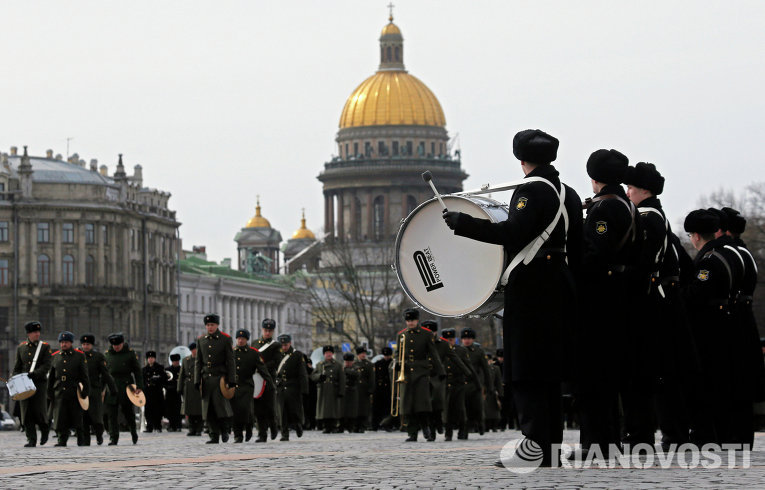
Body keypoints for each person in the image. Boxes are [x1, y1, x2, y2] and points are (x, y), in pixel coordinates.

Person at [443, 129, 582, 466]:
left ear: (521, 159)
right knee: (549, 372)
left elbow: (511, 232)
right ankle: (550, 448)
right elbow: (578, 245)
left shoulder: (531, 191)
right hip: (560, 285)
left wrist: (464, 223)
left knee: (526, 370)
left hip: (532, 287)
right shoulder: (571, 194)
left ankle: (533, 448)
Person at [577, 148, 641, 457]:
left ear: (594, 177)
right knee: (613, 372)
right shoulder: (629, 206)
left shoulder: (603, 209)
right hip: (622, 295)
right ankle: (610, 438)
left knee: (593, 374)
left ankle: (597, 442)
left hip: (599, 299)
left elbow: (594, 255)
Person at [683, 209, 735, 444]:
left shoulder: (709, 260)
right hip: (720, 323)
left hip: (708, 326)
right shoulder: (722, 254)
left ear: (695, 236)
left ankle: (707, 434)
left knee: (707, 381)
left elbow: (697, 293)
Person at [722, 207, 765, 448]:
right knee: (743, 380)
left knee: (735, 379)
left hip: (734, 319)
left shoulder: (730, 253)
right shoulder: (745, 253)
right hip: (745, 318)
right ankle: (741, 435)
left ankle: (734, 436)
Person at [394, 308, 445, 442]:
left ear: (417, 320)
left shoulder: (426, 334)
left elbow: (433, 353)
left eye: (412, 320)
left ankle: (425, 427)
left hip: (421, 372)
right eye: (408, 320)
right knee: (408, 404)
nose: (410, 323)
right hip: (406, 373)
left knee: (422, 403)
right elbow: (397, 353)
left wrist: (440, 371)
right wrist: (397, 363)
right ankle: (412, 433)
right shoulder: (401, 335)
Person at [194, 313, 235, 444]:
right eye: (208, 325)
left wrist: (231, 379)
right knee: (209, 409)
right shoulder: (201, 340)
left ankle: (224, 429)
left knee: (220, 407)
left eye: (212, 325)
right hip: (206, 379)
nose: (210, 327)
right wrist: (197, 379)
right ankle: (213, 435)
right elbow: (198, 362)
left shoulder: (225, 339)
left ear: (217, 325)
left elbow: (230, 361)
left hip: (220, 379)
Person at [12, 321, 52, 447]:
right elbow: (17, 366)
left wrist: (35, 374)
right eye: (34, 332)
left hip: (38, 384)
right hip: (24, 385)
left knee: (39, 411)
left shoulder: (44, 347)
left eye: (38, 332)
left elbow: (46, 365)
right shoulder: (21, 348)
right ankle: (31, 439)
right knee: (26, 412)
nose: (37, 334)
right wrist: (15, 379)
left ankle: (44, 429)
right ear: (29, 334)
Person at [47, 331, 90, 446]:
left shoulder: (79, 356)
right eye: (61, 342)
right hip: (59, 392)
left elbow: (84, 376)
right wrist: (49, 392)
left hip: (74, 391)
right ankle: (62, 440)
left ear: (71, 343)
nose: (63, 345)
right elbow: (51, 377)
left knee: (77, 418)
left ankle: (81, 439)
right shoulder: (55, 356)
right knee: (61, 418)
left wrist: (85, 390)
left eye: (66, 342)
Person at [231, 329, 273, 443]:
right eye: (239, 338)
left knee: (246, 410)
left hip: (247, 385)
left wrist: (270, 382)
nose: (240, 341)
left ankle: (249, 426)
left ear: (246, 340)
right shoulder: (231, 352)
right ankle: (238, 435)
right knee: (235, 412)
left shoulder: (253, 353)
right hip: (234, 386)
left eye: (243, 339)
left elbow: (262, 368)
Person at [104, 332, 143, 445]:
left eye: (118, 345)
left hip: (126, 386)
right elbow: (104, 373)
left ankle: (133, 432)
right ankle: (113, 437)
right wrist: (102, 389)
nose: (116, 347)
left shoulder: (130, 354)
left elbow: (137, 371)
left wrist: (139, 386)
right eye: (114, 345)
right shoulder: (107, 355)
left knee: (128, 413)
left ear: (122, 343)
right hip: (112, 387)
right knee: (112, 415)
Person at [79, 333, 116, 445]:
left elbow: (105, 374)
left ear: (92, 345)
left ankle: (99, 433)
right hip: (81, 390)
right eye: (84, 344)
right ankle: (86, 440)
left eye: (88, 344)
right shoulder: (78, 356)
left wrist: (112, 388)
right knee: (84, 417)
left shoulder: (98, 357)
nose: (85, 346)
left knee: (96, 417)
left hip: (94, 390)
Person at [439, 328, 475, 441]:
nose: (449, 342)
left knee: (460, 409)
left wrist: (471, 378)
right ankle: (448, 433)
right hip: (446, 383)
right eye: (447, 339)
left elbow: (468, 366)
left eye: (451, 339)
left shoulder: (461, 351)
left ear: (455, 339)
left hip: (458, 383)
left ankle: (462, 431)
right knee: (447, 410)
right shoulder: (440, 350)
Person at [252, 318, 281, 441]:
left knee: (269, 407)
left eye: (270, 330)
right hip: (257, 379)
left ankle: (273, 425)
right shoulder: (255, 343)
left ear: (273, 331)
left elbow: (276, 361)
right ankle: (262, 433)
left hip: (268, 379)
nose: (267, 333)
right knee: (258, 408)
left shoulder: (276, 345)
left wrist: (262, 367)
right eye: (265, 330)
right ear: (262, 329)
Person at [275, 334, 308, 441]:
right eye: (282, 345)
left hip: (293, 387)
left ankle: (297, 424)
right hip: (281, 386)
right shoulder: (277, 355)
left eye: (286, 344)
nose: (284, 347)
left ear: (290, 343)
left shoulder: (297, 355)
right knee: (282, 411)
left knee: (294, 410)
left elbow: (302, 373)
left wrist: (304, 388)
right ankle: (285, 434)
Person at [460, 328, 491, 435]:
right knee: (464, 408)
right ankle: (466, 428)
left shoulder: (478, 351)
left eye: (468, 338)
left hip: (475, 383)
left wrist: (488, 386)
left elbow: (486, 370)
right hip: (462, 383)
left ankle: (480, 424)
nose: (466, 341)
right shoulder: (458, 351)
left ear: (472, 339)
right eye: (464, 338)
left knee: (477, 407)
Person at [310, 345, 345, 433]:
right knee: (324, 410)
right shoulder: (320, 365)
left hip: (334, 389)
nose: (328, 354)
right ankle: (326, 426)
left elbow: (342, 379)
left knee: (333, 409)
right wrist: (319, 376)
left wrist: (341, 391)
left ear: (332, 354)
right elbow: (312, 376)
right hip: (323, 390)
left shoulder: (337, 365)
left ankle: (333, 426)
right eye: (326, 353)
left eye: (330, 353)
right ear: (324, 354)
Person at [178, 342, 203, 436]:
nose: (194, 351)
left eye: (196, 349)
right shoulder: (185, 360)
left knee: (199, 410)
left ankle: (199, 429)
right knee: (189, 410)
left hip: (198, 386)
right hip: (188, 387)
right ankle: (191, 428)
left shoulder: (201, 359)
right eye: (193, 349)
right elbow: (181, 375)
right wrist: (179, 388)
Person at [142, 350, 166, 433]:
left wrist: (156, 380)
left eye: (152, 358)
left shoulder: (159, 368)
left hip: (157, 392)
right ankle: (149, 426)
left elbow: (163, 378)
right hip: (148, 393)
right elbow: (142, 381)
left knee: (158, 410)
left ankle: (158, 426)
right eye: (149, 358)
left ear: (154, 358)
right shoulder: (144, 369)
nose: (150, 359)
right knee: (148, 411)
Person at [352, 346, 374, 433]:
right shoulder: (354, 364)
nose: (363, 355)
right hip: (356, 388)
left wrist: (371, 389)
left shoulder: (369, 364)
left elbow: (372, 378)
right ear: (358, 355)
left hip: (364, 389)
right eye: (361, 353)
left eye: (364, 353)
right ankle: (355, 426)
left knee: (364, 409)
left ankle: (363, 426)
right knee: (356, 408)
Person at [372, 346, 393, 431]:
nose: (386, 357)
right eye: (385, 355)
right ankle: (376, 425)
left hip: (389, 388)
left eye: (388, 355)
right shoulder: (378, 363)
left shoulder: (393, 363)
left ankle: (388, 424)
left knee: (388, 408)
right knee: (377, 408)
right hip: (379, 388)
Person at [165, 353, 183, 432]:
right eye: (175, 361)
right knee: (170, 410)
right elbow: (164, 380)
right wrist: (167, 387)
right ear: (172, 361)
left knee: (178, 409)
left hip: (178, 392)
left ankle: (178, 425)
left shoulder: (181, 369)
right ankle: (171, 425)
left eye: (177, 361)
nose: (176, 362)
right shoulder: (167, 370)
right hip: (169, 392)